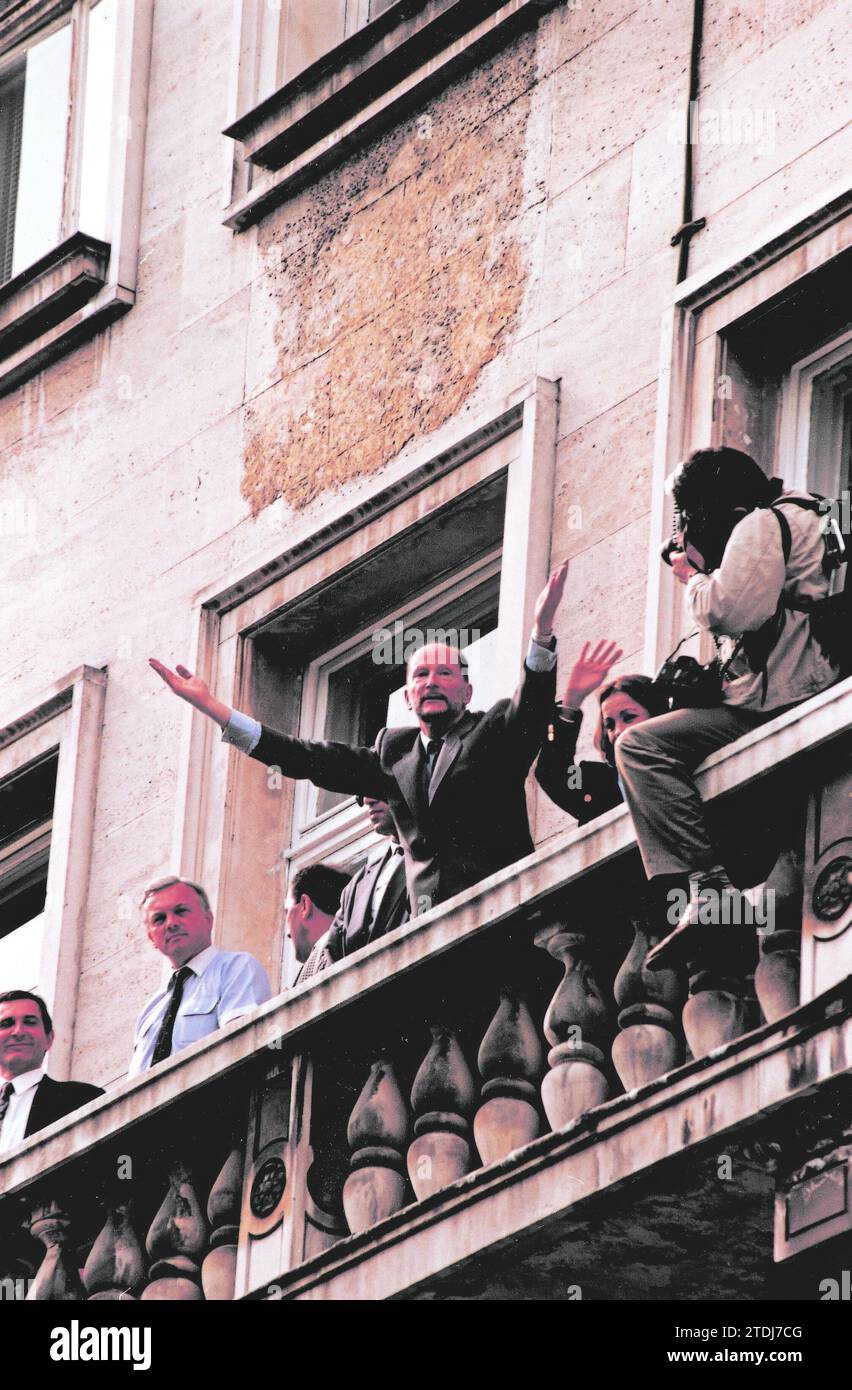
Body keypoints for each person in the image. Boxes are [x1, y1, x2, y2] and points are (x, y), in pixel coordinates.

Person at [150, 562, 569, 914]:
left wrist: (542, 632)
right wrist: (213, 708)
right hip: (429, 934)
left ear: (467, 692)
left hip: (504, 910)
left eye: (446, 674)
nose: (432, 682)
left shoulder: (491, 731)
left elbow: (529, 711)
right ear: (408, 696)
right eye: (421, 675)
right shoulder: (393, 753)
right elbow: (306, 757)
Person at [613, 447, 841, 969]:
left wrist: (690, 576)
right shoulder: (810, 515)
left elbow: (729, 608)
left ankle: (709, 889)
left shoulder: (764, 521)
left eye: (690, 515)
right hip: (800, 686)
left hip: (785, 699)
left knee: (640, 748)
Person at [128, 876, 272, 1076]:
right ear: (151, 937)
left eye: (181, 911)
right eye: (159, 919)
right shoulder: (150, 1010)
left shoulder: (235, 969)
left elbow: (243, 1050)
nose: (171, 924)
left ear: (208, 919)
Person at [535, 640, 669, 824]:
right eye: (610, 725)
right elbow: (553, 773)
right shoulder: (595, 783)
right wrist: (572, 700)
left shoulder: (683, 760)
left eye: (629, 717)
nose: (618, 731)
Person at [297, 797, 410, 984]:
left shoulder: (438, 855)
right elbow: (331, 957)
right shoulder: (356, 886)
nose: (366, 800)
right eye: (359, 794)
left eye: (376, 783)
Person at [0, 991, 103, 1152]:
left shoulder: (82, 1099)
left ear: (49, 1038)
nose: (18, 1032)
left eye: (30, 1022)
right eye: (6, 1023)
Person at [286, 863, 352, 983]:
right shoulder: (353, 946)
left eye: (288, 912)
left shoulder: (320, 960)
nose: (288, 933)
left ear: (305, 905)